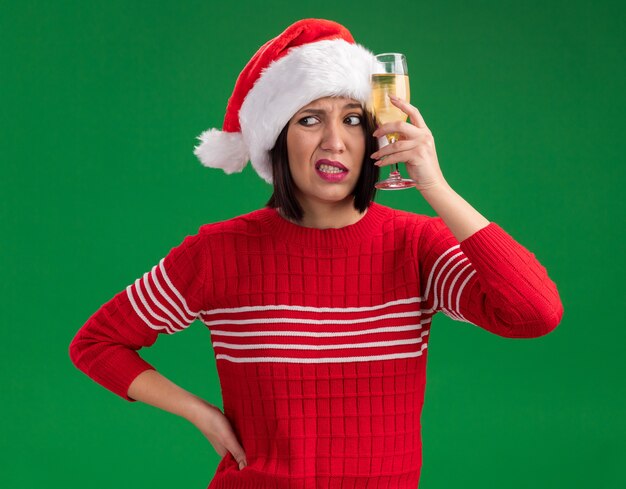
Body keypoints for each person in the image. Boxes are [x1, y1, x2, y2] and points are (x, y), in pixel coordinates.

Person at [69, 18, 563, 489]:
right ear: (278, 140)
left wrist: (434, 185)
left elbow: (533, 312)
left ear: (374, 134)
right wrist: (201, 413)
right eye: (309, 119)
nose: (335, 141)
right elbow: (97, 344)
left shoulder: (418, 247)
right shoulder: (218, 252)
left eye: (352, 119)